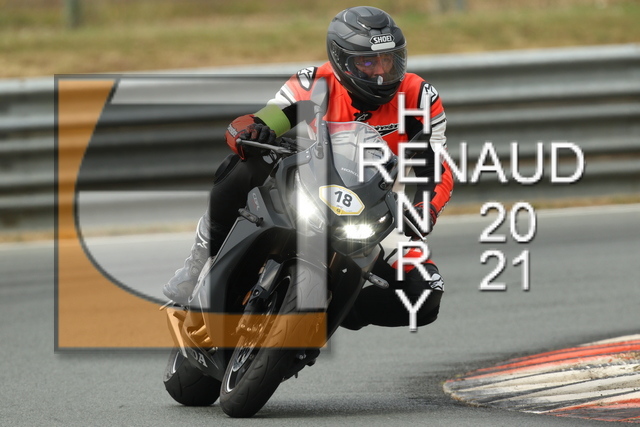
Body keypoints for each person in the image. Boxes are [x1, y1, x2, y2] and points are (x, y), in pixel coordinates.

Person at [163, 6, 454, 331]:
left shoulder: (419, 96)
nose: (381, 74)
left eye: (388, 60)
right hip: (310, 186)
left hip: (377, 212)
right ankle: (199, 264)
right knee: (243, 165)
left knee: (425, 295)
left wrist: (424, 210)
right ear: (341, 61)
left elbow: (436, 165)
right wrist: (253, 130)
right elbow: (269, 117)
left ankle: (326, 317)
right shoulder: (315, 82)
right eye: (367, 63)